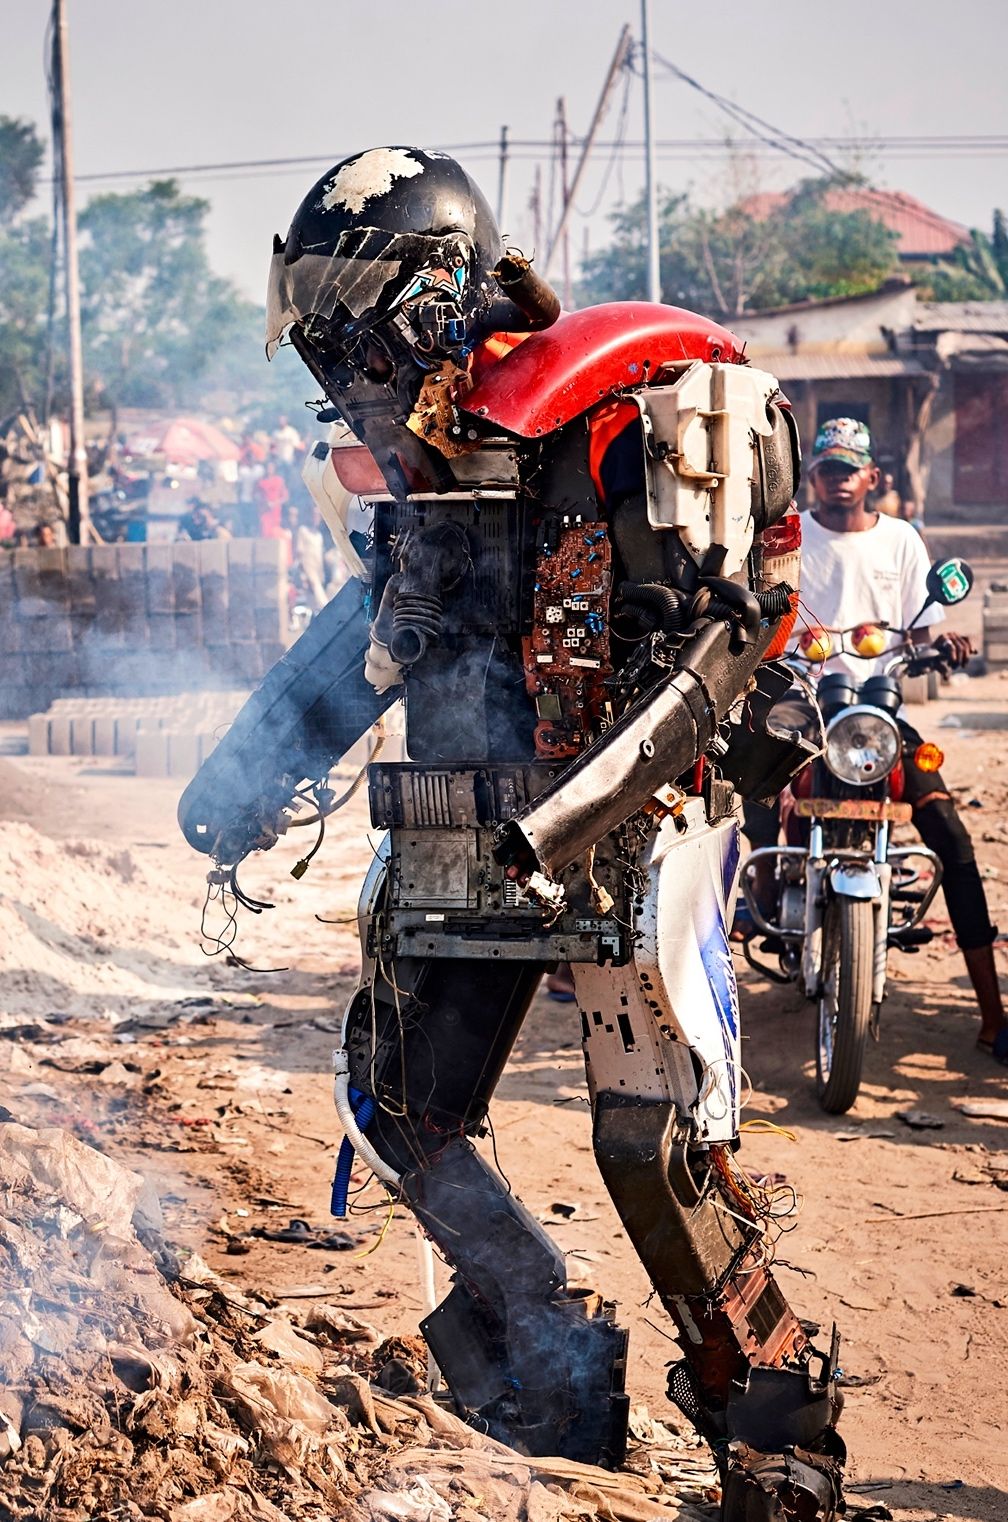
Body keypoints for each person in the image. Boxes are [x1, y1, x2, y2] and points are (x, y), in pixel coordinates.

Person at [746, 417, 1008, 1063]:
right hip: (807, 701)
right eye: (828, 469)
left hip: (877, 707)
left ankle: (992, 1012)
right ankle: (757, 902)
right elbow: (766, 621)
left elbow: (921, 631)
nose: (839, 480)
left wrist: (941, 644)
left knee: (949, 832)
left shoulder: (902, 541)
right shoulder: (791, 539)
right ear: (814, 477)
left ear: (873, 476)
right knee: (744, 791)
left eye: (850, 468)